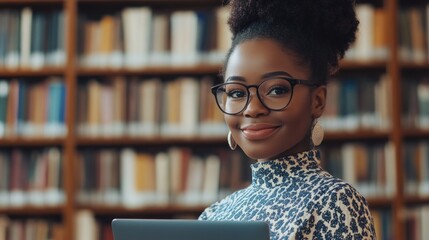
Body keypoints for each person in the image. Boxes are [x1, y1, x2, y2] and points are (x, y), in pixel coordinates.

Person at [198, 0, 376, 239]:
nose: (252, 109)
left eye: (276, 90)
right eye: (237, 93)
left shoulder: (336, 202)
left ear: (318, 101)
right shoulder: (214, 216)